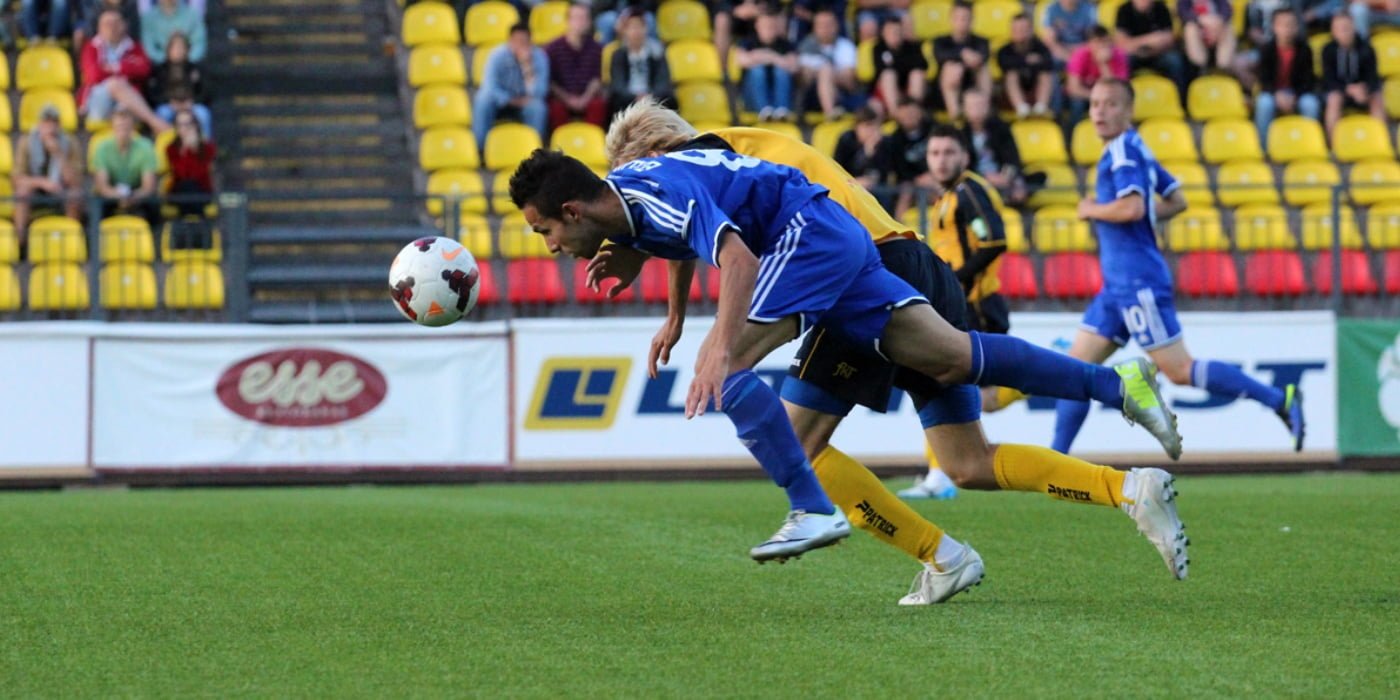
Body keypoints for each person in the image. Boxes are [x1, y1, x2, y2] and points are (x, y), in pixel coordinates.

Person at [592, 99, 1190, 600]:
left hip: (853, 266)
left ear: (651, 158)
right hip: (912, 258)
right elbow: (689, 234)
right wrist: (674, 314)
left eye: (634, 182)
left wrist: (709, 335)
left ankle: (941, 555)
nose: (636, 200)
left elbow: (707, 231)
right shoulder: (726, 157)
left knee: (800, 441)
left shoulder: (704, 162)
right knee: (967, 461)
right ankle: (1128, 481)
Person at [1055, 78, 1305, 457]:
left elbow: (1134, 208)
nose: (1099, 112)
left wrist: (1091, 209)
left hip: (1137, 281)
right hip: (1117, 285)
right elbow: (1177, 200)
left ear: (1128, 111)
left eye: (1110, 104)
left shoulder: (1122, 152)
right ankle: (1056, 461)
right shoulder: (1136, 146)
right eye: (1094, 104)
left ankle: (1278, 400)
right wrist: (1140, 215)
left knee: (1180, 370)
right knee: (1072, 372)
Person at [899, 127, 1016, 499]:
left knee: (946, 382)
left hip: (976, 304)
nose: (941, 159)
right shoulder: (946, 197)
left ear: (964, 156)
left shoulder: (969, 191)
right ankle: (939, 474)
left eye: (949, 152)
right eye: (934, 153)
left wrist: (953, 280)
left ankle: (939, 475)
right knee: (958, 387)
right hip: (960, 304)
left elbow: (994, 241)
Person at [81, 8, 170, 133]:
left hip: (129, 104)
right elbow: (94, 75)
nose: (112, 27)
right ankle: (156, 123)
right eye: (107, 23)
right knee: (115, 84)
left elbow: (144, 70)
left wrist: (115, 67)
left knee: (123, 107)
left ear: (125, 25)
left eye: (116, 23)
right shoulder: (91, 47)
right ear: (99, 27)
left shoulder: (135, 47)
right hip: (98, 103)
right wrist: (126, 70)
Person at [12, 105, 83, 246]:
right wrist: (42, 183)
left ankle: (73, 243)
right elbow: (17, 179)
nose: (50, 128)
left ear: (59, 125)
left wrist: (58, 153)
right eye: (46, 123)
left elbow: (75, 181)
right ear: (39, 124)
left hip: (60, 188)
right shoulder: (26, 142)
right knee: (22, 192)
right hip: (36, 190)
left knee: (75, 195)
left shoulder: (70, 143)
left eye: (53, 123)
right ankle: (19, 245)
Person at [472, 23, 548, 149]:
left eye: (524, 41)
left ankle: (535, 150)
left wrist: (527, 67)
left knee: (538, 107)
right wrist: (509, 100)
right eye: (516, 41)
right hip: (500, 100)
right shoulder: (497, 56)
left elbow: (540, 91)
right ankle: (480, 148)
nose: (520, 45)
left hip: (525, 102)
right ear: (509, 41)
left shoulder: (539, 57)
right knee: (482, 100)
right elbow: (490, 86)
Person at [1255, 8, 1320, 143]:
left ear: (1297, 27)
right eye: (1282, 25)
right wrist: (1277, 94)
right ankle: (1263, 147)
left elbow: (1308, 79)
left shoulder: (1304, 49)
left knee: (1310, 104)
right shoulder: (1266, 49)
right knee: (1264, 103)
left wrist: (1294, 96)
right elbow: (1263, 79)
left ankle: (1310, 143)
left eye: (1291, 24)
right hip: (1273, 91)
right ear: (1274, 27)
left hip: (1297, 92)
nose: (1287, 29)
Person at [92, 108, 161, 228]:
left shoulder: (146, 146)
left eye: (126, 126)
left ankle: (154, 242)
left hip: (136, 191)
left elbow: (148, 186)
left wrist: (133, 197)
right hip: (112, 192)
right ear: (112, 127)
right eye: (119, 126)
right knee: (97, 205)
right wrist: (118, 196)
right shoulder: (102, 148)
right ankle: (97, 244)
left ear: (133, 127)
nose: (122, 130)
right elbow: (102, 186)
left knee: (154, 204)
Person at [1321, 12, 1385, 138]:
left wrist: (1365, 89)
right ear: (1333, 31)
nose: (1344, 32)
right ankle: (1333, 145)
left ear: (1353, 28)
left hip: (1362, 91)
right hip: (1339, 91)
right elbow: (1328, 79)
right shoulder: (1328, 50)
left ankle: (1382, 140)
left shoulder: (1367, 48)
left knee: (1377, 98)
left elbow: (1373, 77)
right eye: (1339, 29)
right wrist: (1348, 89)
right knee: (1334, 99)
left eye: (1347, 28)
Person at [959, 89, 1027, 206]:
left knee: (1019, 189)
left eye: (980, 105)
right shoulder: (960, 135)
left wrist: (1006, 177)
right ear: (964, 109)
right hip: (975, 181)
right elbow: (961, 168)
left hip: (1002, 178)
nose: (977, 110)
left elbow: (1012, 159)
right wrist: (984, 178)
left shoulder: (1002, 129)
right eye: (972, 106)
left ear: (988, 107)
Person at [545, 3, 606, 131]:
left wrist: (585, 98)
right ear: (568, 21)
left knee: (598, 105)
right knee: (555, 107)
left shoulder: (597, 48)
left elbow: (597, 78)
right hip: (562, 96)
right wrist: (567, 99)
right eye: (577, 18)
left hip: (587, 96)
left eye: (584, 18)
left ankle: (593, 142)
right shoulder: (552, 49)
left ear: (589, 22)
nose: (581, 22)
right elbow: (550, 82)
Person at [607, 9, 673, 119]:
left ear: (646, 29)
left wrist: (650, 96)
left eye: (639, 27)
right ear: (625, 31)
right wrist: (635, 97)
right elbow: (617, 84)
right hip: (627, 99)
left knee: (670, 99)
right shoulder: (618, 55)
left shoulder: (657, 53)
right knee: (614, 101)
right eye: (632, 27)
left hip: (652, 98)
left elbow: (663, 81)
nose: (636, 31)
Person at [932, 1, 992, 121]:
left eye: (966, 18)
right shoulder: (940, 41)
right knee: (951, 67)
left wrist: (971, 59)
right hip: (945, 91)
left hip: (973, 85)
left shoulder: (981, 41)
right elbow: (940, 56)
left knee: (983, 67)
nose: (962, 22)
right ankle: (956, 115)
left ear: (972, 20)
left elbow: (984, 56)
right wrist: (962, 54)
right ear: (951, 19)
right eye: (958, 18)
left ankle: (983, 110)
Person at [737, 5, 798, 121]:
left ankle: (782, 111)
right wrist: (774, 57)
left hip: (778, 94)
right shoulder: (747, 42)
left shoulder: (785, 45)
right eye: (765, 26)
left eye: (772, 26)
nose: (769, 29)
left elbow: (794, 67)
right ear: (757, 26)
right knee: (757, 70)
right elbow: (742, 61)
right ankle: (764, 110)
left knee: (781, 71)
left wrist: (766, 56)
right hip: (752, 97)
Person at [797, 9, 861, 119]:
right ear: (814, 28)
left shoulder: (846, 46)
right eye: (821, 25)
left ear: (836, 26)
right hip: (812, 98)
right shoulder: (805, 47)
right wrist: (827, 74)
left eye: (829, 24)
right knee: (825, 70)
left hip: (842, 95)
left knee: (826, 71)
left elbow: (850, 82)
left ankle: (831, 112)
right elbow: (803, 80)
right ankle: (830, 113)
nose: (825, 29)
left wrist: (825, 75)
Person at [1115, 0, 1188, 93]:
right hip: (1135, 54)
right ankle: (1121, 96)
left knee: (1175, 61)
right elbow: (1122, 44)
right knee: (1123, 60)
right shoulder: (1124, 10)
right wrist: (1150, 39)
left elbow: (1169, 39)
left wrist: (1140, 43)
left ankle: (1180, 98)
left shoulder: (1162, 8)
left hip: (1158, 53)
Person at [882, 96, 935, 218]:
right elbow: (898, 169)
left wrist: (931, 175)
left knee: (940, 187)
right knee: (906, 191)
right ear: (898, 116)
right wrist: (917, 179)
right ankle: (899, 229)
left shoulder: (933, 129)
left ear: (920, 113)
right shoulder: (894, 139)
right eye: (905, 114)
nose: (908, 117)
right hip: (909, 182)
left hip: (933, 177)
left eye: (912, 113)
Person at [1066, 25, 1131, 126]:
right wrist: (1097, 97)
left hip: (1108, 95)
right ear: (1089, 43)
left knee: (1119, 104)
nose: (1102, 46)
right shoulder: (1080, 55)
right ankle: (1072, 136)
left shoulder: (1118, 55)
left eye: (1105, 41)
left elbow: (1117, 90)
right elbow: (1073, 88)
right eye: (1097, 42)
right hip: (1085, 94)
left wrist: (1104, 64)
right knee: (1076, 104)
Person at [150, 32, 211, 136]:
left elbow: (206, 92)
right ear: (168, 50)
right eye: (175, 47)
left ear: (187, 50)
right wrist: (171, 102)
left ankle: (206, 148)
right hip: (169, 105)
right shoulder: (159, 70)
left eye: (182, 47)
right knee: (162, 113)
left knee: (203, 114)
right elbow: (153, 94)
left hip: (192, 105)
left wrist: (192, 102)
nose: (178, 51)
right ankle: (162, 148)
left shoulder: (196, 69)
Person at [868, 15, 927, 117]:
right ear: (883, 33)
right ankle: (896, 114)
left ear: (902, 32)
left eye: (897, 31)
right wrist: (904, 63)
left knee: (917, 74)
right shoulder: (878, 48)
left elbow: (923, 65)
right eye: (890, 31)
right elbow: (880, 69)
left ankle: (914, 111)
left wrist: (895, 62)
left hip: (908, 89)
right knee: (888, 75)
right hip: (885, 92)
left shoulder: (912, 47)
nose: (894, 34)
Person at [998, 14, 1054, 118]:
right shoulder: (1004, 50)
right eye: (1016, 29)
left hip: (1035, 88)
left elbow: (1048, 64)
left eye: (1023, 29)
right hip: (1011, 95)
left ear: (1031, 30)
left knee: (1046, 75)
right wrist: (1027, 60)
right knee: (1011, 75)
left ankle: (1041, 108)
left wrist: (1021, 62)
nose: (1020, 32)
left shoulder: (1040, 47)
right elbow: (1005, 65)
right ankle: (1021, 108)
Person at [165, 107, 215, 217]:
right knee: (187, 185)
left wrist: (194, 149)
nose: (184, 128)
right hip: (179, 191)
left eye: (188, 124)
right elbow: (182, 175)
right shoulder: (171, 149)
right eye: (180, 125)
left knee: (192, 187)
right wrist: (186, 150)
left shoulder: (208, 148)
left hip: (202, 190)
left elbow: (200, 175)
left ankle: (188, 228)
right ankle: (199, 226)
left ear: (196, 125)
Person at [1178, 0, 1237, 73]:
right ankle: (1200, 67)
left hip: (1216, 30)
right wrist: (1201, 19)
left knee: (1228, 28)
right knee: (1190, 28)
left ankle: (1222, 69)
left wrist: (1215, 23)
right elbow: (1183, 13)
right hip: (1197, 31)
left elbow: (1227, 12)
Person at [140, 0, 205, 63]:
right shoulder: (148, 18)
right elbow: (149, 47)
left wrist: (186, 58)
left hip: (188, 65)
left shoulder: (193, 15)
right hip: (159, 67)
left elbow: (199, 43)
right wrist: (167, 59)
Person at [1040, 0, 1098, 66]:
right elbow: (1049, 39)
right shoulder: (1050, 9)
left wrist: (1080, 52)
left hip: (1083, 49)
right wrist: (1068, 57)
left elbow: (1093, 36)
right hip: (1061, 50)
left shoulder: (1088, 9)